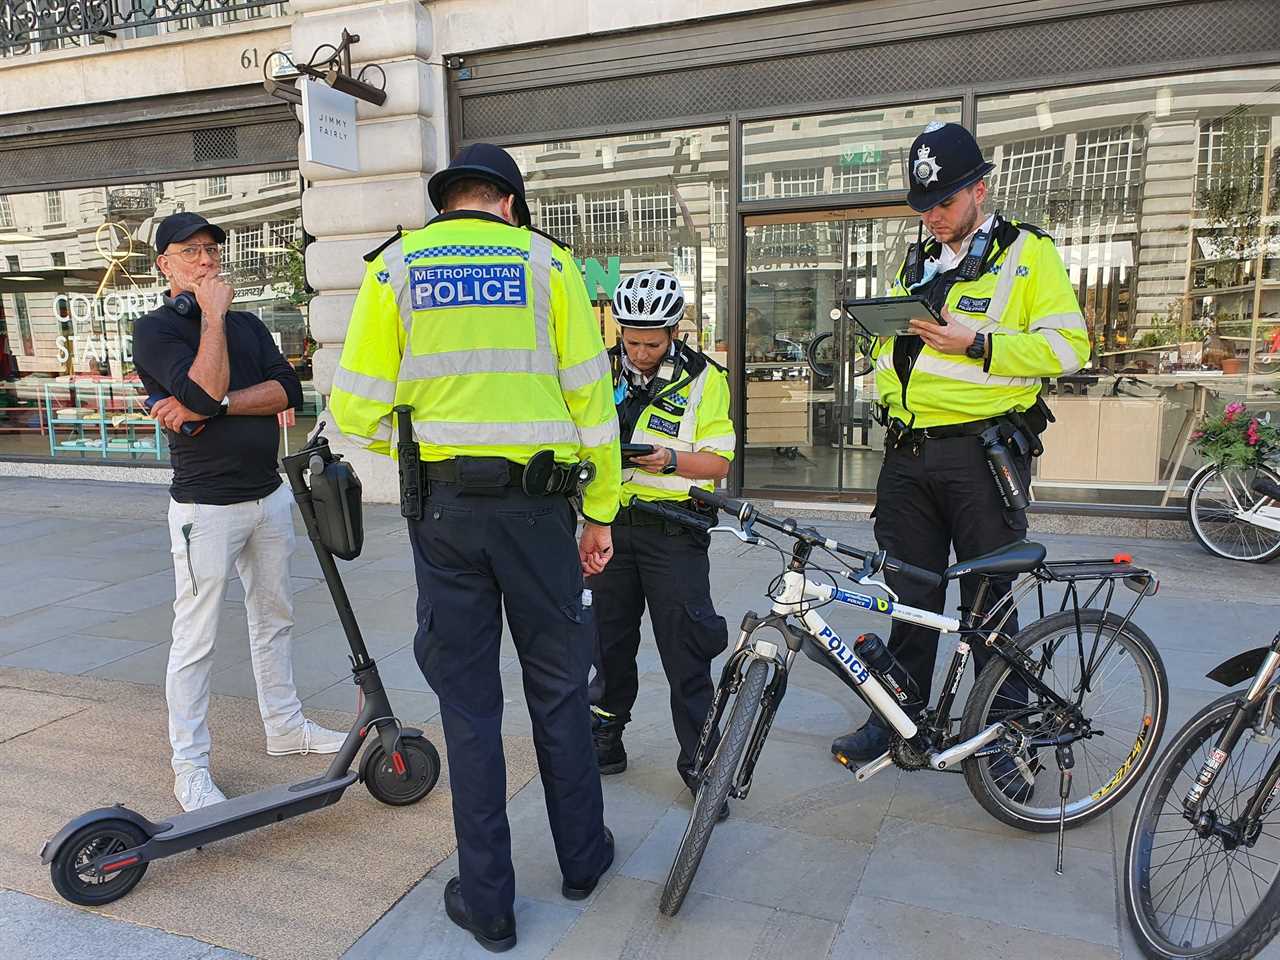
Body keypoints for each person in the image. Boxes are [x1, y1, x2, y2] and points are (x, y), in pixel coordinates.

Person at [329, 143, 620, 953]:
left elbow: (353, 408)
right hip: (539, 515)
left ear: (445, 200)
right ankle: (583, 861)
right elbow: (593, 405)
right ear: (509, 203)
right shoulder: (550, 267)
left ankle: (490, 905)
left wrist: (424, 455)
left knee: (469, 710)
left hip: (446, 517)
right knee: (560, 690)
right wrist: (600, 512)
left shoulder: (394, 268)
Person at [830, 123, 1090, 800]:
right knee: (913, 599)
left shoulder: (1027, 254)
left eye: (944, 201)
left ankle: (1003, 738)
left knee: (988, 606)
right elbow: (894, 358)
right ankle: (898, 717)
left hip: (982, 455)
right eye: (923, 204)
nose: (933, 215)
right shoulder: (917, 262)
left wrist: (977, 345)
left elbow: (1069, 350)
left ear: (980, 188)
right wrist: (887, 387)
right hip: (909, 457)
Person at [133, 212, 345, 814]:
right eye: (190, 251)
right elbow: (195, 391)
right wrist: (214, 322)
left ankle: (284, 726)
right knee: (195, 638)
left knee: (273, 618)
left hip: (268, 495)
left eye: (211, 249)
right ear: (164, 265)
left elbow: (288, 394)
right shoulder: (156, 332)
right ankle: (190, 765)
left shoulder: (251, 326)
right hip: (206, 507)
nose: (206, 260)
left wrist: (214, 407)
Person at [587, 270, 735, 814]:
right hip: (608, 522)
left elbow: (718, 462)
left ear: (674, 330)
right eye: (632, 340)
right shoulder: (596, 371)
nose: (641, 351)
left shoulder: (704, 379)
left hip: (674, 528)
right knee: (606, 642)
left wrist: (668, 459)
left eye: (652, 341)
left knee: (686, 649)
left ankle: (701, 761)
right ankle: (605, 736)